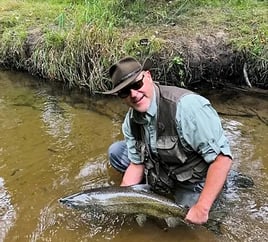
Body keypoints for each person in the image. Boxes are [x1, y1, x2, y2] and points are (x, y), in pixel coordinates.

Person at [102, 56, 233, 225]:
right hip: (164, 168)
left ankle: (220, 188)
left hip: (194, 179)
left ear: (148, 76)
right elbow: (136, 164)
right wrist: (121, 198)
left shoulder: (187, 108)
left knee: (177, 223)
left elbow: (222, 159)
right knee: (117, 152)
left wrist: (202, 208)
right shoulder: (131, 121)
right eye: (124, 92)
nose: (133, 95)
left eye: (136, 84)